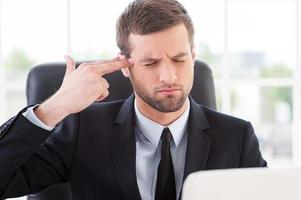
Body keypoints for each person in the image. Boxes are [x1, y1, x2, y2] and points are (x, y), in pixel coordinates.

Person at [0, 0, 267, 200]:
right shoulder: (83, 130)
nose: (168, 76)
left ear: (193, 55)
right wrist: (54, 108)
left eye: (179, 59)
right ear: (124, 66)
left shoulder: (237, 137)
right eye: (150, 63)